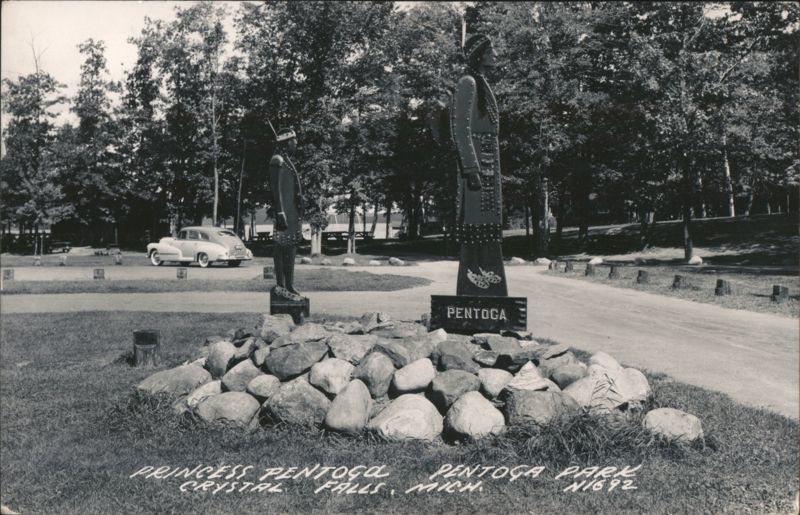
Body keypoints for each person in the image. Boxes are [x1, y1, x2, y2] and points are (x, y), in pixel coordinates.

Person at [452, 34, 508, 296]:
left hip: (488, 162)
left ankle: (490, 287)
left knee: (488, 226)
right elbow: (460, 129)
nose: (496, 55)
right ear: (480, 55)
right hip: (477, 167)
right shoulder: (468, 82)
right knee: (476, 228)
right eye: (491, 50)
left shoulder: (481, 82)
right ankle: (475, 286)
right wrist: (471, 169)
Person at [269, 128, 304, 299]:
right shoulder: (278, 160)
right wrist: (280, 211)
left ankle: (289, 284)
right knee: (281, 248)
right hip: (284, 212)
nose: (296, 143)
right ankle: (281, 284)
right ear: (286, 142)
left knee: (291, 248)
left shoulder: (287, 160)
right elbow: (276, 190)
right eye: (294, 140)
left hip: (292, 212)